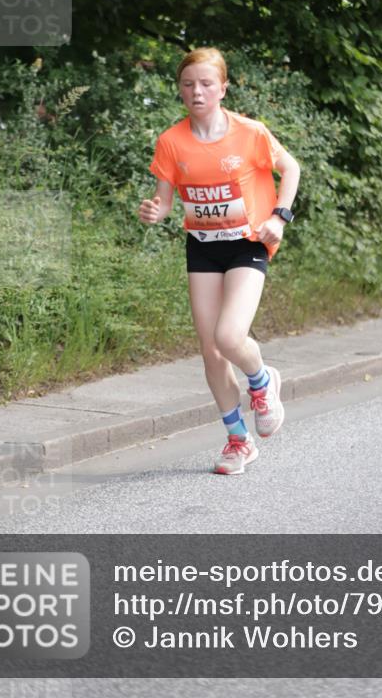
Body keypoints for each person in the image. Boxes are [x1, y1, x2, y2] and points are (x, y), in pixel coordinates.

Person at [138, 47, 301, 475]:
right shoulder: (171, 141)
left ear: (223, 89)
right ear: (180, 89)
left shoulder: (250, 133)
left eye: (206, 84)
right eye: (188, 84)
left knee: (229, 336)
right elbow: (165, 202)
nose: (197, 91)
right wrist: (155, 211)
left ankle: (262, 381)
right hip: (203, 246)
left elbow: (292, 169)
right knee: (211, 351)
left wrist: (279, 218)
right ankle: (238, 441)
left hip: (248, 242)